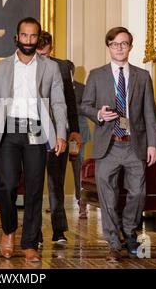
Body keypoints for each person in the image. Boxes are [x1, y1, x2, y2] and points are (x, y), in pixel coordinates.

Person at [0, 17, 68, 263]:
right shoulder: (1, 67)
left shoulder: (50, 68)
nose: (28, 40)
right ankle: (8, 231)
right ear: (16, 37)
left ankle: (30, 243)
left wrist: (61, 133)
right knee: (6, 186)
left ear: (38, 39)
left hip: (36, 130)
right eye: (24, 35)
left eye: (33, 36)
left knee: (34, 187)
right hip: (8, 129)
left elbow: (59, 103)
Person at [80, 27, 156, 262]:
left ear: (130, 47)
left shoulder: (142, 76)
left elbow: (149, 113)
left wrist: (153, 144)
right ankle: (114, 243)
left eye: (124, 44)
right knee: (108, 196)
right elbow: (84, 106)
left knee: (138, 192)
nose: (119, 48)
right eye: (115, 44)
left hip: (135, 145)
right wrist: (99, 114)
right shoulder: (96, 75)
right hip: (108, 144)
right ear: (109, 47)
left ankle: (129, 229)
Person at [36, 31, 82, 245]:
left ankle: (59, 231)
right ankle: (34, 232)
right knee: (33, 185)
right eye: (38, 52)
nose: (41, 56)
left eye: (45, 52)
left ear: (51, 49)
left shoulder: (62, 67)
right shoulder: (24, 65)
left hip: (58, 132)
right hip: (32, 132)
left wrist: (74, 129)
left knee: (56, 183)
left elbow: (70, 101)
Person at [71, 79, 91, 219]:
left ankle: (81, 203)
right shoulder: (55, 83)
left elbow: (86, 108)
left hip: (78, 133)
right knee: (55, 171)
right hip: (59, 133)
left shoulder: (82, 88)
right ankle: (56, 204)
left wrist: (67, 106)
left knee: (78, 167)